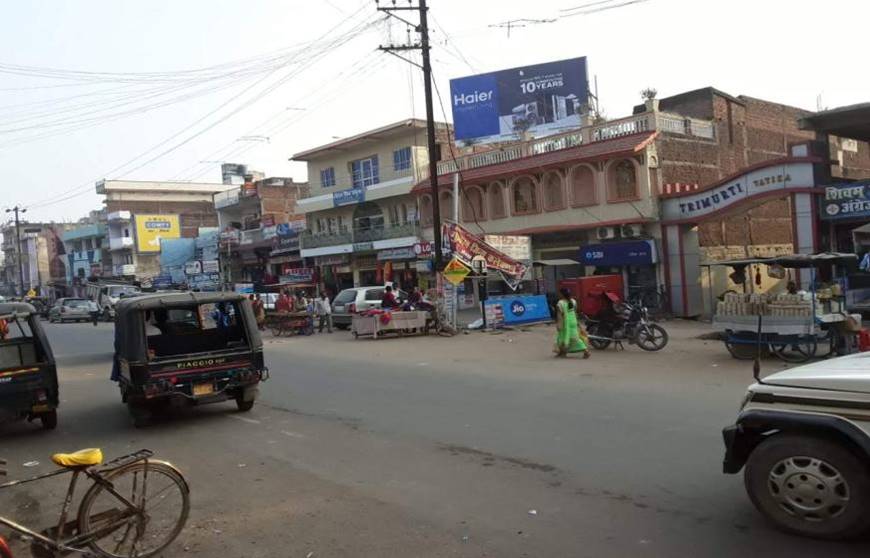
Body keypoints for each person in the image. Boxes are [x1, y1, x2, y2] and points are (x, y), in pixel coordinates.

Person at [554, 287, 590, 359]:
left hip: (565, 323)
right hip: (573, 321)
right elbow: (574, 312)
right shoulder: (573, 301)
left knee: (562, 337)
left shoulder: (560, 303)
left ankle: (563, 353)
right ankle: (585, 351)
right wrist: (578, 323)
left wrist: (559, 325)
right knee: (575, 338)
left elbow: (560, 316)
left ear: (561, 294)